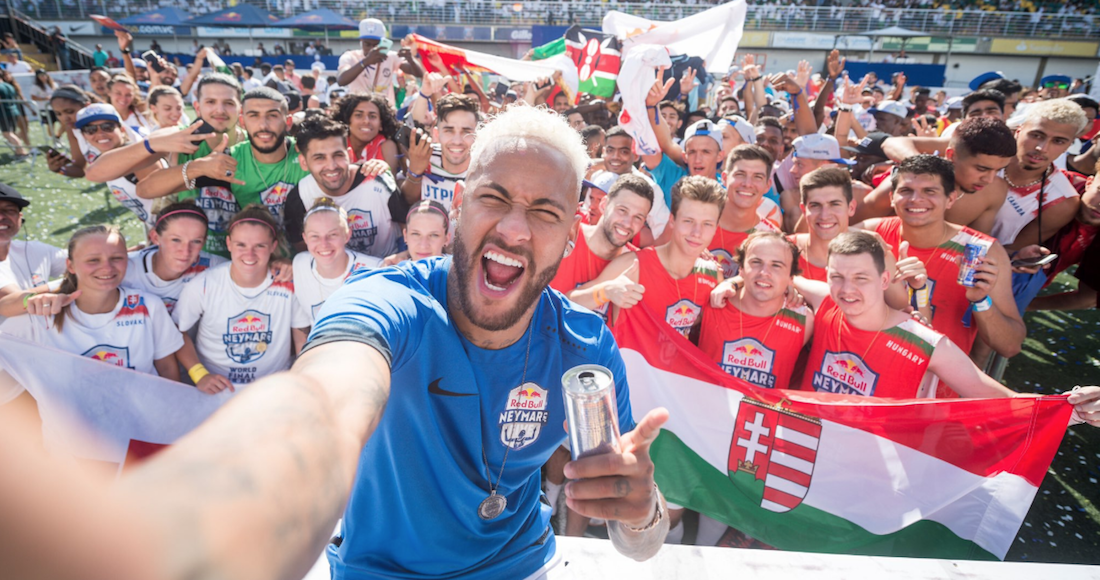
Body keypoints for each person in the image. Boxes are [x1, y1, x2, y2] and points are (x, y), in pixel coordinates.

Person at [301, 104, 667, 577]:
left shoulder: (584, 349)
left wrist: (640, 511)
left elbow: (638, 541)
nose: (514, 229)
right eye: (493, 198)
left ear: (571, 236)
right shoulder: (386, 300)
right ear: (459, 204)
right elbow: (331, 378)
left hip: (521, 564)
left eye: (545, 211)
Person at [788, 231, 1028, 400]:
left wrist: (1055, 411)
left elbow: (1000, 397)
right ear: (827, 275)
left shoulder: (923, 341)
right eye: (837, 277)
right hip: (810, 446)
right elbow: (786, 278)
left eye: (861, 278)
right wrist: (787, 288)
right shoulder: (824, 301)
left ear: (884, 280)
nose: (847, 289)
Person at [857, 155, 1025, 377]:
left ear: (951, 199)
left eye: (930, 191)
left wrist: (980, 300)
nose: (916, 199)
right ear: (892, 197)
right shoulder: (870, 234)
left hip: (932, 383)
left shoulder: (982, 251)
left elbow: (1010, 346)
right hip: (862, 370)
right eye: (906, 190)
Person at [141, 86, 309, 258]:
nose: (263, 125)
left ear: (288, 122)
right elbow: (145, 189)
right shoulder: (232, 160)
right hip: (254, 260)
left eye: (272, 116)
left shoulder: (308, 154)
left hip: (309, 258)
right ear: (242, 121)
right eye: (253, 115)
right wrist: (198, 167)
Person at [16, 225, 184, 381]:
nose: (107, 268)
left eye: (116, 258)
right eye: (93, 260)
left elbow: (167, 368)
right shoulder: (42, 312)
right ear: (70, 266)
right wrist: (27, 301)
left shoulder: (149, 305)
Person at [173, 205, 310, 387]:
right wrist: (200, 375)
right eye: (241, 245)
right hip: (217, 387)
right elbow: (176, 332)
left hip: (272, 386)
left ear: (273, 246)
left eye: (259, 246)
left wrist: (300, 380)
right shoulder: (204, 284)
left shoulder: (287, 282)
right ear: (229, 244)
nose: (249, 254)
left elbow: (301, 338)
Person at [586, 175, 725, 336]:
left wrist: (735, 283)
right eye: (688, 221)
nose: (696, 233)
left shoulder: (712, 276)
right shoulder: (633, 265)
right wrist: (604, 291)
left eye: (707, 224)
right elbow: (571, 301)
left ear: (716, 227)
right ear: (672, 220)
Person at [697, 231, 812, 390]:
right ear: (741, 269)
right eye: (756, 262)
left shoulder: (805, 320)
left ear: (791, 278)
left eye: (776, 265)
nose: (764, 272)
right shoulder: (711, 301)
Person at [871, 117, 1018, 234]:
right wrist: (926, 169)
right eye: (981, 169)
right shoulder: (904, 186)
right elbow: (859, 227)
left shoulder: (995, 191)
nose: (989, 179)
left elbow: (977, 245)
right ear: (951, 155)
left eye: (998, 170)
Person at [285, 115, 402, 259]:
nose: (331, 166)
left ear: (350, 155)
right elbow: (305, 252)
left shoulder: (378, 182)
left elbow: (407, 230)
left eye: (338, 155)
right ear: (303, 162)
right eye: (319, 158)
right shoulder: (300, 197)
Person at [553, 174, 654, 322]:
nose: (627, 223)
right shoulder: (564, 237)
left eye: (638, 217)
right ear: (604, 205)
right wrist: (605, 292)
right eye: (622, 210)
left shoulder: (635, 264)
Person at [121, 200, 226, 314]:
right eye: (176, 240)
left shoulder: (215, 267)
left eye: (196, 241)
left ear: (204, 242)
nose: (185, 251)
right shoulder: (124, 270)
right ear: (155, 237)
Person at [292, 198, 381, 324]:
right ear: (305, 238)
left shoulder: (374, 271)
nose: (324, 244)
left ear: (347, 235)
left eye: (332, 235)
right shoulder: (300, 264)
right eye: (315, 236)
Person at [75, 103, 163, 230]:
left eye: (107, 127)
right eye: (90, 129)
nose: (100, 133)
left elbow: (167, 197)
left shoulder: (136, 156)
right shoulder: (104, 160)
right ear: (84, 135)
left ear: (121, 129)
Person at [0, 184, 66, 339]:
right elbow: (13, 300)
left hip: (37, 343)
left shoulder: (35, 249)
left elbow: (82, 261)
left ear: (20, 218)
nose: (1, 216)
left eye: (9, 210)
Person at [709, 145, 782, 279]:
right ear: (724, 178)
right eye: (740, 174)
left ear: (767, 185)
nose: (747, 184)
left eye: (757, 177)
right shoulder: (697, 221)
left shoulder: (772, 238)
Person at [403, 89, 479, 210]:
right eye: (449, 130)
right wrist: (415, 172)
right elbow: (406, 201)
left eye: (466, 131)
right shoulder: (424, 157)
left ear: (477, 135)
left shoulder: (485, 169)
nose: (457, 141)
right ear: (436, 134)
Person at [597, 126, 671, 246]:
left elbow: (662, 234)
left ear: (636, 155)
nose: (615, 156)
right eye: (610, 150)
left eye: (624, 152)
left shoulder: (650, 188)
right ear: (603, 152)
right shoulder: (597, 178)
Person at [336, 18, 424, 107]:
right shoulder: (350, 57)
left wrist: (411, 59)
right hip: (357, 109)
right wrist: (366, 62)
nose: (372, 49)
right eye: (367, 44)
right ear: (361, 41)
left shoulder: (391, 56)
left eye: (376, 45)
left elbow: (418, 73)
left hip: (384, 110)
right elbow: (341, 80)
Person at [330, 93, 399, 172]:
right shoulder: (337, 143)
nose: (366, 121)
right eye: (358, 115)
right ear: (347, 120)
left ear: (381, 124)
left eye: (372, 116)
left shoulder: (387, 146)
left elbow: (390, 179)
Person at [0, 70, 28, 158]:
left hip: (4, 113)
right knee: (11, 133)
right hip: (13, 111)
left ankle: (22, 152)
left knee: (7, 134)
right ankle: (18, 152)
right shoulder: (8, 85)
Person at [30, 69, 60, 139]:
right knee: (50, 124)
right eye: (41, 76)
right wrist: (44, 98)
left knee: (62, 122)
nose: (43, 77)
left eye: (44, 75)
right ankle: (54, 139)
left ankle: (58, 136)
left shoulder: (53, 84)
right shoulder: (36, 86)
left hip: (55, 106)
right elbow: (33, 97)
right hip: (44, 107)